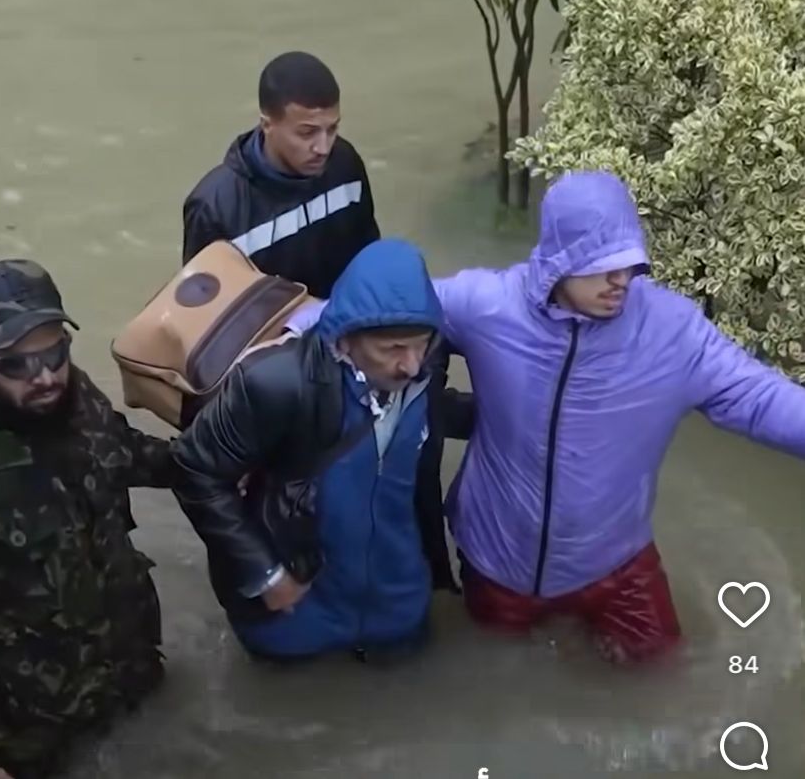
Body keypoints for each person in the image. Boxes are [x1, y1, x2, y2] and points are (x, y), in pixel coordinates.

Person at [291, 171, 805, 663]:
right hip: (497, 559)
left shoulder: (674, 334)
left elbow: (760, 398)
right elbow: (376, 312)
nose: (620, 280)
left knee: (663, 670)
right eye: (602, 265)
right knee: (500, 674)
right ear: (559, 259)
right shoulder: (491, 307)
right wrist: (289, 331)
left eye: (628, 263)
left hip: (617, 563)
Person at [171, 239, 452, 662]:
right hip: (297, 603)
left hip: (398, 597)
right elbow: (195, 470)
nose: (411, 365)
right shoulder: (276, 384)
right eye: (392, 348)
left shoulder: (425, 374)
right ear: (347, 337)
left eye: (421, 344)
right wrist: (264, 575)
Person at [0, 260, 173, 777]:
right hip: (25, 726)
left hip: (122, 668)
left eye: (55, 352)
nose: (43, 375)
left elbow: (122, 451)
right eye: (16, 364)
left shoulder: (74, 395)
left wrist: (206, 463)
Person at [181, 50, 379, 297]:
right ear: (267, 125)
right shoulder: (214, 208)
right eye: (307, 133)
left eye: (332, 129)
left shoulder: (344, 164)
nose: (323, 147)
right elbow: (203, 311)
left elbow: (369, 258)